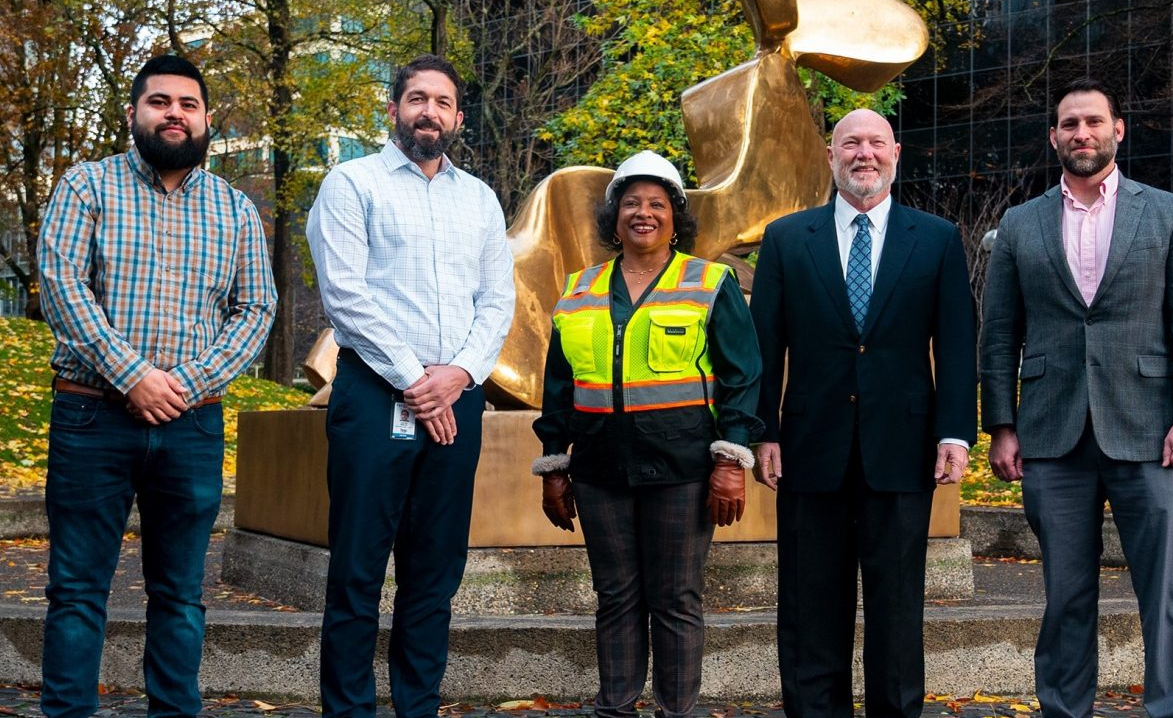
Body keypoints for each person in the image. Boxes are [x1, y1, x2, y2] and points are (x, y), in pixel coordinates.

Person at [36, 54, 277, 718]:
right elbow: (61, 285)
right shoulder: (86, 186)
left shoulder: (235, 208)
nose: (175, 113)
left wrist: (185, 384)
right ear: (133, 112)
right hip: (92, 417)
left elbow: (257, 309)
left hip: (192, 425)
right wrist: (133, 375)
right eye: (160, 101)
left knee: (180, 595)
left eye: (188, 104)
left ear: (206, 119)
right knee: (77, 591)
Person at [980, 79, 1173, 718]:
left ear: (1118, 130)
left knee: (1164, 593)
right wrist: (1001, 425)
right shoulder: (1020, 222)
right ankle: (1064, 710)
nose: (1081, 133)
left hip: (1152, 433)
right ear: (1054, 137)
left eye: (1092, 122)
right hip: (1052, 437)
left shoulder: (1168, 212)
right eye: (1069, 125)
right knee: (1066, 597)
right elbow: (999, 334)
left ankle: (1171, 711)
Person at [306, 54, 515, 718]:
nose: (430, 111)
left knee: (434, 572)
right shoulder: (351, 184)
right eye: (417, 98)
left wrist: (459, 374)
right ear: (393, 109)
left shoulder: (479, 199)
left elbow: (498, 302)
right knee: (357, 571)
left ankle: (417, 706)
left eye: (442, 102)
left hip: (458, 398)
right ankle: (349, 710)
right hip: (374, 395)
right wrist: (415, 379)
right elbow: (346, 297)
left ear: (458, 117)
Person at [750, 109, 977, 718]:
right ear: (831, 155)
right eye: (851, 143)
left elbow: (958, 344)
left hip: (903, 452)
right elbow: (764, 347)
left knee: (897, 613)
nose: (864, 154)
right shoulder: (786, 238)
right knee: (808, 609)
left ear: (896, 153)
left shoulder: (936, 238)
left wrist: (955, 432)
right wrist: (762, 431)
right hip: (808, 452)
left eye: (877, 143)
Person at [532, 150, 763, 718]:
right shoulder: (579, 289)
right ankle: (615, 707)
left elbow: (742, 375)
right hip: (599, 470)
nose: (643, 213)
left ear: (674, 216)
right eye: (631, 203)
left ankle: (675, 711)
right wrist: (554, 464)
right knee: (615, 597)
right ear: (613, 217)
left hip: (683, 470)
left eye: (657, 204)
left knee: (676, 598)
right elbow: (559, 386)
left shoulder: (709, 282)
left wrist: (731, 460)